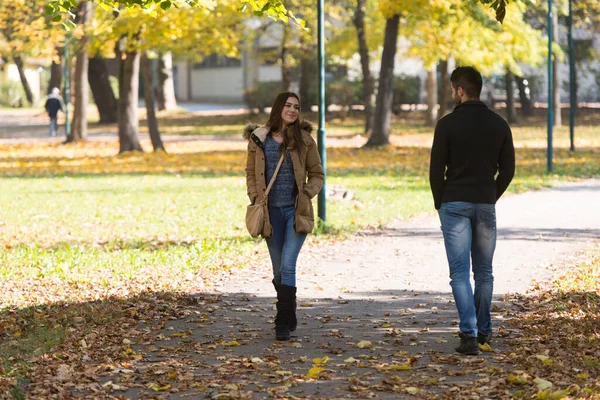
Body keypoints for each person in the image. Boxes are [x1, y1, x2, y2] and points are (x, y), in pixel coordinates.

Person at [429, 66, 515, 355]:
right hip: (485, 203)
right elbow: (508, 170)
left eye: (454, 89)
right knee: (485, 273)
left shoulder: (447, 124)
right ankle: (483, 331)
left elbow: (435, 170)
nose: (453, 94)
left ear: (461, 90)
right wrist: (491, 194)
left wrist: (441, 202)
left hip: (454, 204)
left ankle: (468, 333)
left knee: (459, 273)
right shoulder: (499, 124)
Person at [244, 92, 324, 341]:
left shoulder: (305, 140)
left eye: (297, 107)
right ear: (278, 107)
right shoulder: (259, 139)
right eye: (288, 105)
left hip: (295, 212)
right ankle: (290, 311)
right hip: (270, 214)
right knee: (278, 271)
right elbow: (249, 172)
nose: (292, 110)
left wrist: (306, 194)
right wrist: (255, 197)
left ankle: (281, 321)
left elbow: (317, 174)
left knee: (288, 265)